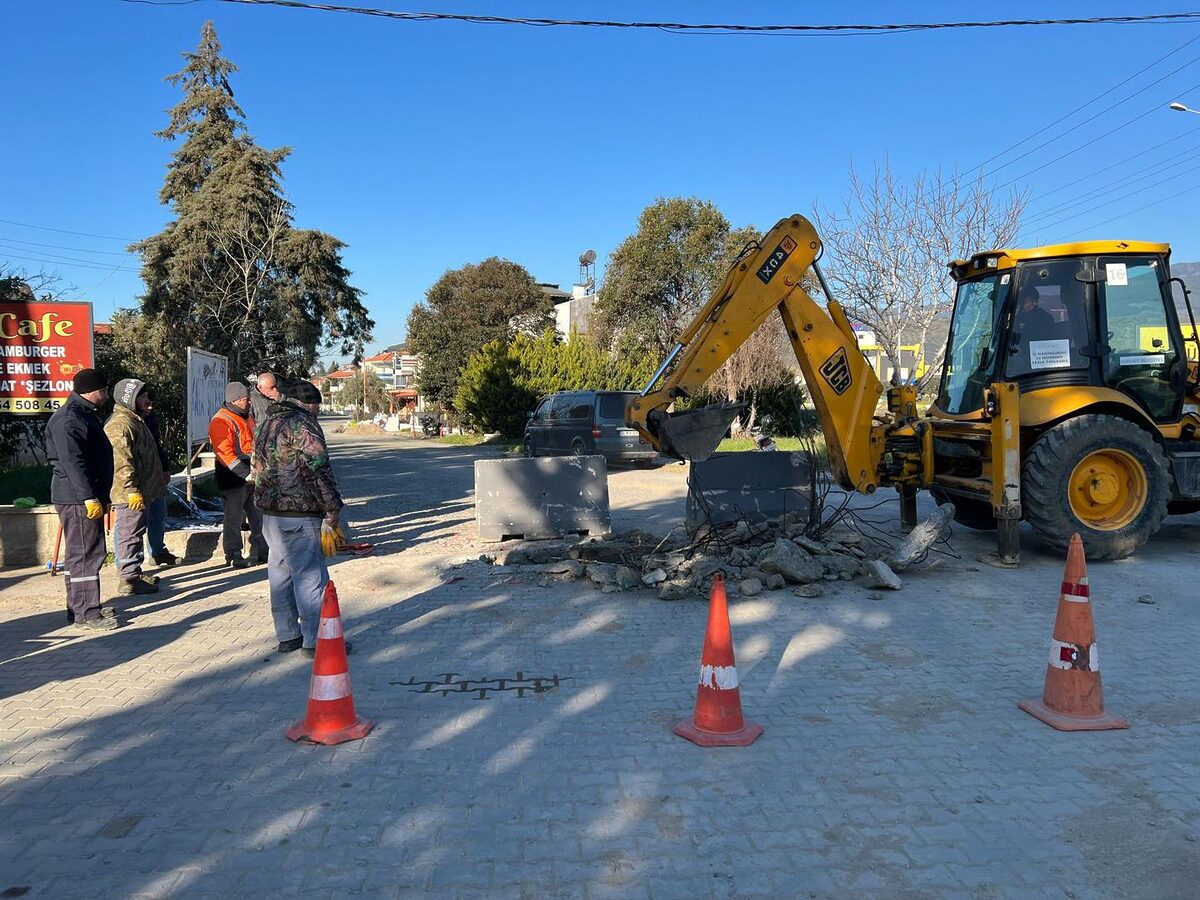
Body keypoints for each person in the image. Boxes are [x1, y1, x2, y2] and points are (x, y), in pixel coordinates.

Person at [252, 380, 347, 655]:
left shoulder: (266, 423)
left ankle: (287, 636)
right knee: (309, 577)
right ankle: (317, 642)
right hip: (300, 513)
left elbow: (256, 467)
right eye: (317, 406)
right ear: (310, 404)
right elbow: (319, 469)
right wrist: (332, 509)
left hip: (270, 514)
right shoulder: (303, 424)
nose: (318, 412)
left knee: (280, 574)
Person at [45, 369, 116, 630]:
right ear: (90, 391)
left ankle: (78, 605)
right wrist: (88, 497)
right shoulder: (69, 420)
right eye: (104, 390)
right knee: (86, 553)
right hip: (77, 498)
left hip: (83, 495)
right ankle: (87, 612)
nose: (106, 394)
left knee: (80, 553)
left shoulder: (82, 415)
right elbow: (73, 462)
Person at [104, 379, 167, 597]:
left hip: (143, 490)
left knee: (136, 532)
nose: (147, 399)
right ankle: (128, 579)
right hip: (129, 493)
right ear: (129, 399)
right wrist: (131, 491)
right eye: (141, 396)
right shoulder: (120, 425)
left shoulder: (136, 420)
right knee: (129, 533)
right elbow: (121, 462)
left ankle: (134, 573)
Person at [209, 382, 268, 569]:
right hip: (233, 476)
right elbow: (225, 453)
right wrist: (245, 474)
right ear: (235, 400)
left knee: (258, 516)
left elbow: (253, 442)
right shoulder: (221, 420)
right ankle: (234, 554)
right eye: (246, 399)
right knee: (233, 518)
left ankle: (264, 551)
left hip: (250, 473)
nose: (250, 402)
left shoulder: (245, 416)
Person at [142, 406, 177, 566]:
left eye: (151, 402)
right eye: (144, 399)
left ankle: (157, 551)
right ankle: (125, 564)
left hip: (155, 475)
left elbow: (157, 443)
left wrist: (165, 467)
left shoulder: (150, 417)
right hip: (136, 479)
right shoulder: (125, 422)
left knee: (158, 513)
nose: (149, 405)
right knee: (129, 523)